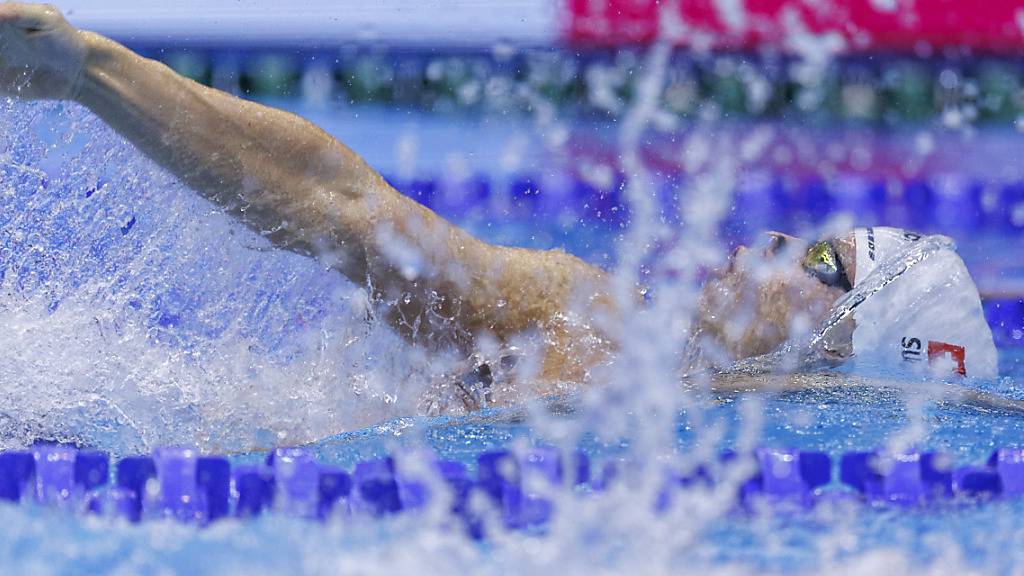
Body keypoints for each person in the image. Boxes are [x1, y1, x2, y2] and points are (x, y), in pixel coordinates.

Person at [0, 3, 1003, 415]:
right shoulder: (591, 316)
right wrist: (91, 70)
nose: (779, 239)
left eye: (822, 266)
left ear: (842, 353)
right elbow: (353, 215)